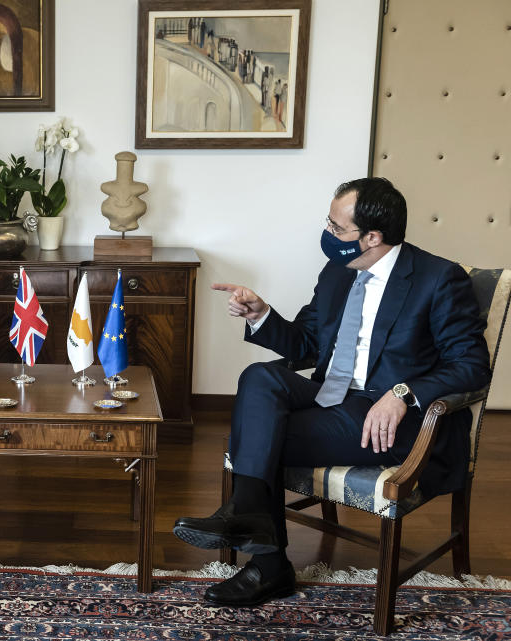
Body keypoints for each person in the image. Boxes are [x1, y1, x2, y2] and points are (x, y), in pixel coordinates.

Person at [173, 177, 490, 607]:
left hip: (388, 418)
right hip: (332, 396)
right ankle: (249, 515)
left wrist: (401, 392)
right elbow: (306, 342)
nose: (328, 234)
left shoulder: (438, 278)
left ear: (372, 237)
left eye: (337, 228)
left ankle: (266, 562)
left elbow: (472, 366)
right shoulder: (338, 272)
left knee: (257, 435)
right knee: (260, 377)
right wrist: (261, 314)